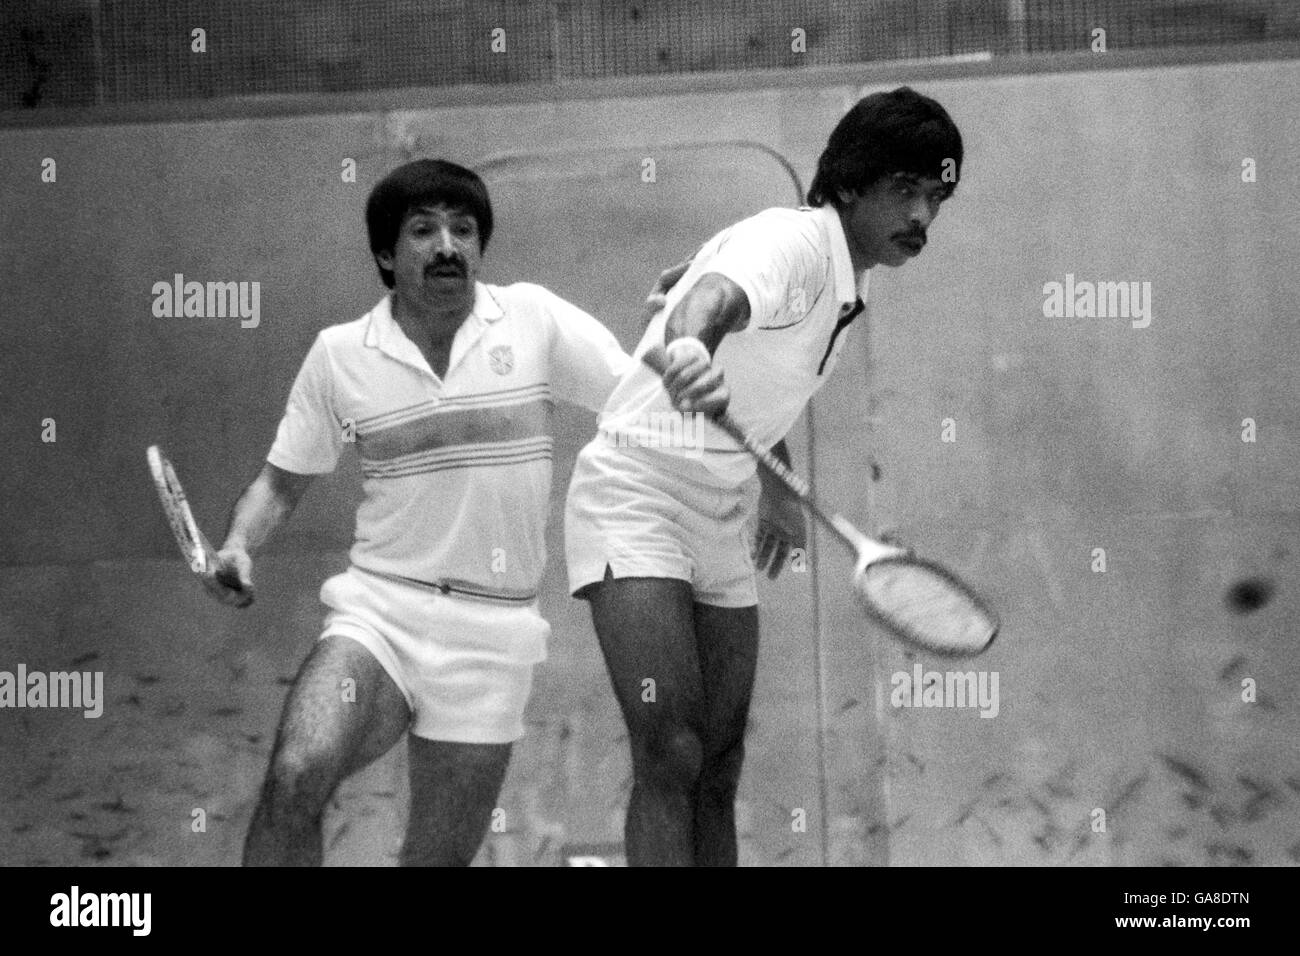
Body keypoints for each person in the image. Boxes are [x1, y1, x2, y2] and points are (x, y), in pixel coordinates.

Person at [206, 158, 674, 866]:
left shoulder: (534, 320)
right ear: (386, 257)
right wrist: (240, 545)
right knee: (297, 775)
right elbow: (279, 484)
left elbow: (641, 396)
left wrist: (673, 323)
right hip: (379, 615)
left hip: (493, 639)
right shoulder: (341, 356)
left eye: (463, 229)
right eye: (422, 231)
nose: (448, 245)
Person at [564, 87, 963, 866]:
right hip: (635, 490)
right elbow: (708, 306)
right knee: (670, 748)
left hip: (718, 507)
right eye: (904, 190)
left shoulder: (853, 278)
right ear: (849, 183)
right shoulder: (792, 245)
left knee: (718, 761)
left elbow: (763, 385)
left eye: (935, 198)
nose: (921, 216)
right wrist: (686, 349)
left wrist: (776, 485)